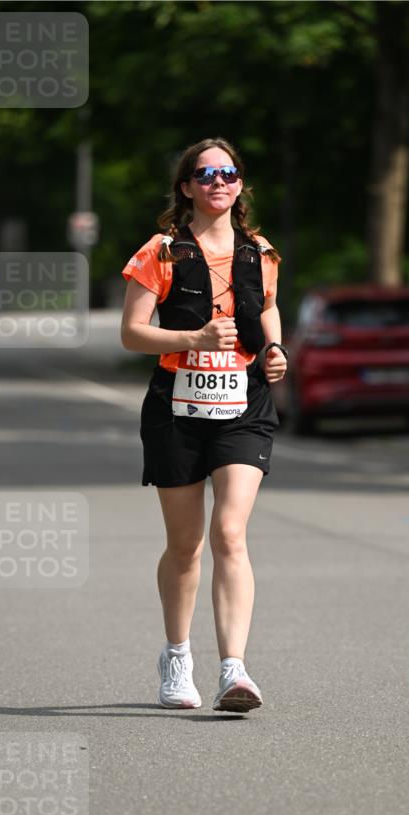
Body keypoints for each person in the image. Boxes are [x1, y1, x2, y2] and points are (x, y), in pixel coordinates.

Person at [120, 137, 287, 714]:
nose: (219, 181)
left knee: (230, 534)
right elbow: (132, 333)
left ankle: (233, 670)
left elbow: (265, 309)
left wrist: (276, 350)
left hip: (244, 404)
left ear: (240, 186)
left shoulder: (260, 251)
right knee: (186, 546)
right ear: (187, 186)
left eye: (229, 172)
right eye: (206, 173)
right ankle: (176, 656)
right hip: (176, 409)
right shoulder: (161, 252)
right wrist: (192, 338)